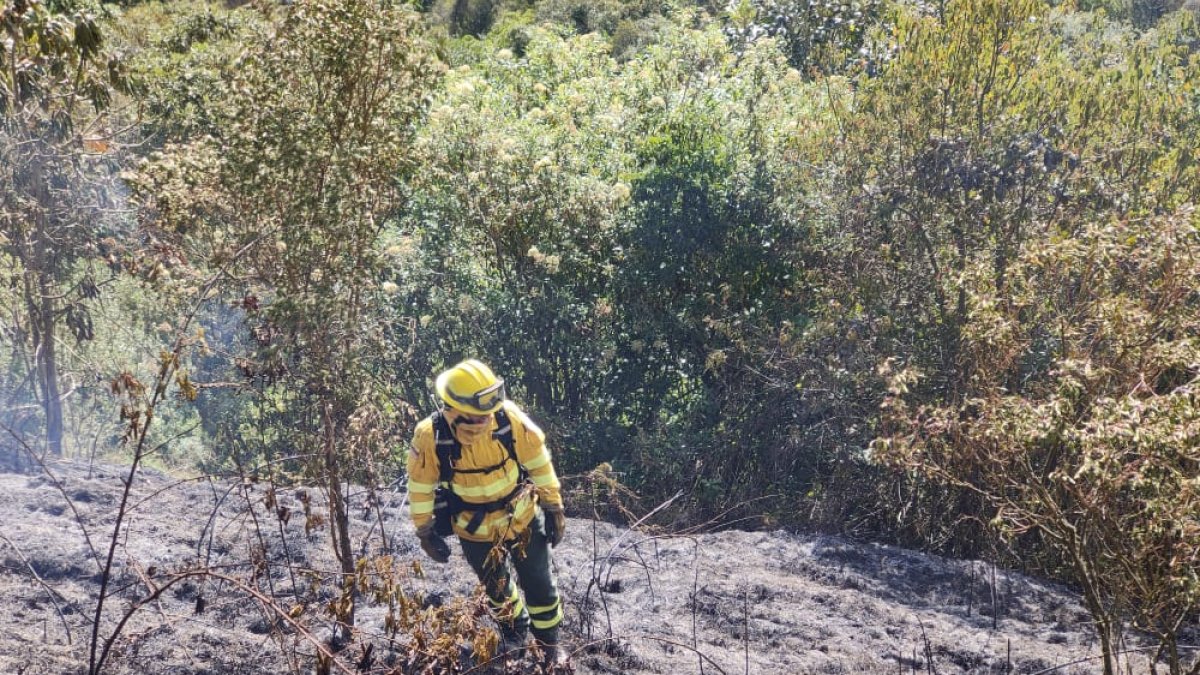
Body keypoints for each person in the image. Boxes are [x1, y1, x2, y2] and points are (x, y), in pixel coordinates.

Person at [406, 359, 568, 668]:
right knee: (497, 589)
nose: (487, 418)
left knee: (540, 584)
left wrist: (553, 506)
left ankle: (549, 646)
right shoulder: (430, 436)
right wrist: (425, 531)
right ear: (453, 408)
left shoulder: (508, 419)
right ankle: (515, 635)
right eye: (478, 414)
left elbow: (539, 463)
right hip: (474, 530)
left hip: (522, 519)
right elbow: (420, 487)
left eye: (490, 411)